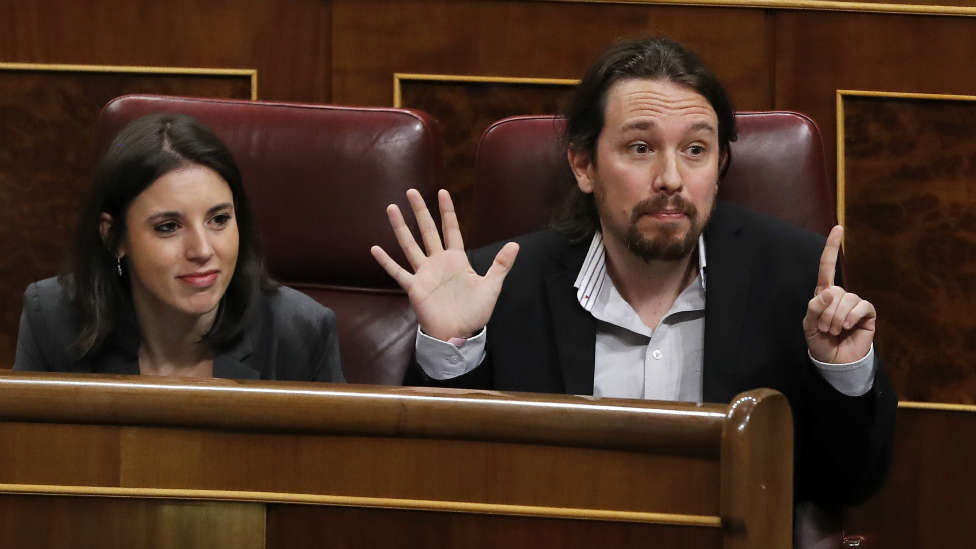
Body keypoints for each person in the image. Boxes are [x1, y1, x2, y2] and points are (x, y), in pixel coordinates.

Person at [371, 37, 895, 505]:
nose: (671, 178)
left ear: (719, 167)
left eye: (695, 150)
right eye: (640, 148)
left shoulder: (793, 278)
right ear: (584, 165)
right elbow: (435, 484)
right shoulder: (501, 288)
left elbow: (848, 486)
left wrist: (841, 374)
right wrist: (454, 350)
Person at [14, 113, 344, 382]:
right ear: (114, 237)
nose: (202, 250)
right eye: (168, 227)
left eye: (218, 219)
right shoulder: (54, 319)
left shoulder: (300, 333)